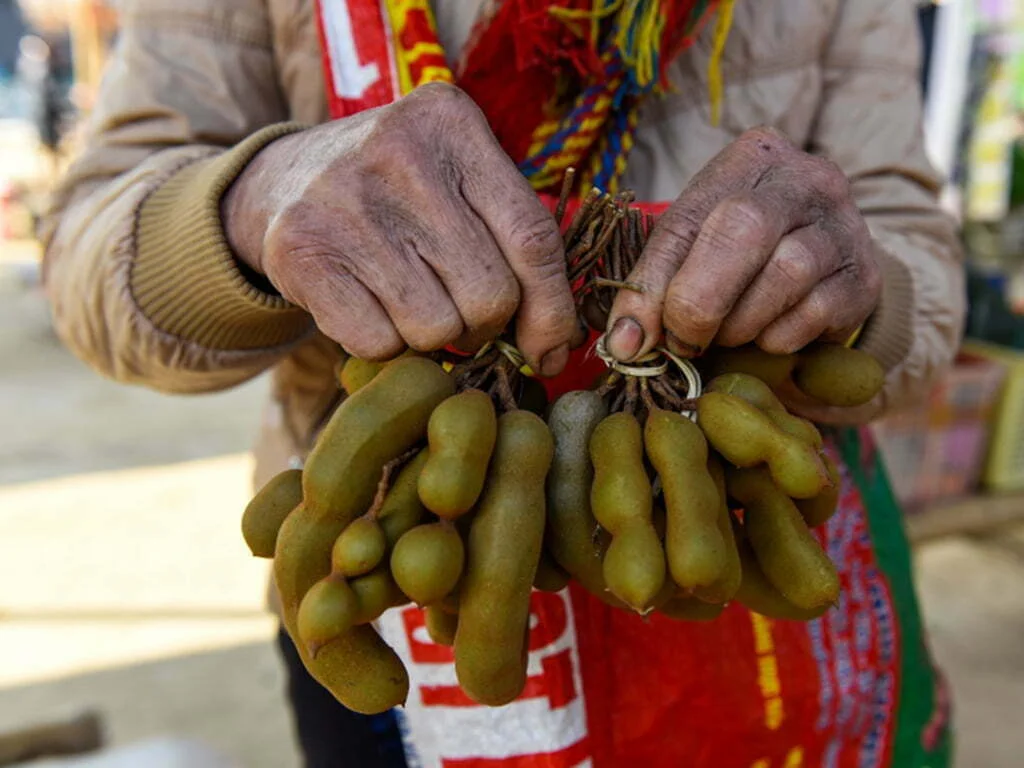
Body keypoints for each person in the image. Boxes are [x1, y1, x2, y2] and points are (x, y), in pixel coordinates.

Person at [40, 1, 963, 766]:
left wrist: (852, 289)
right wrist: (252, 202)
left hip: (737, 597)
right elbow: (89, 252)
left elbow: (917, 248)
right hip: (408, 602)